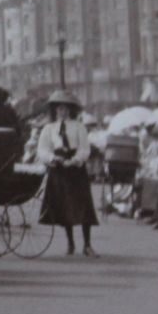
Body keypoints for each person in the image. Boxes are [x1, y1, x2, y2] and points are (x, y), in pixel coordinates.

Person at [36, 89, 98, 257]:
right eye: (59, 109)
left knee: (84, 206)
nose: (62, 112)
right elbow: (42, 150)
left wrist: (75, 160)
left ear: (71, 110)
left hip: (76, 170)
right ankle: (70, 243)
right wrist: (52, 158)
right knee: (64, 207)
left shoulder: (79, 127)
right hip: (58, 169)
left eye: (66, 109)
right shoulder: (48, 129)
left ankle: (87, 244)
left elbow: (85, 148)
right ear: (55, 110)